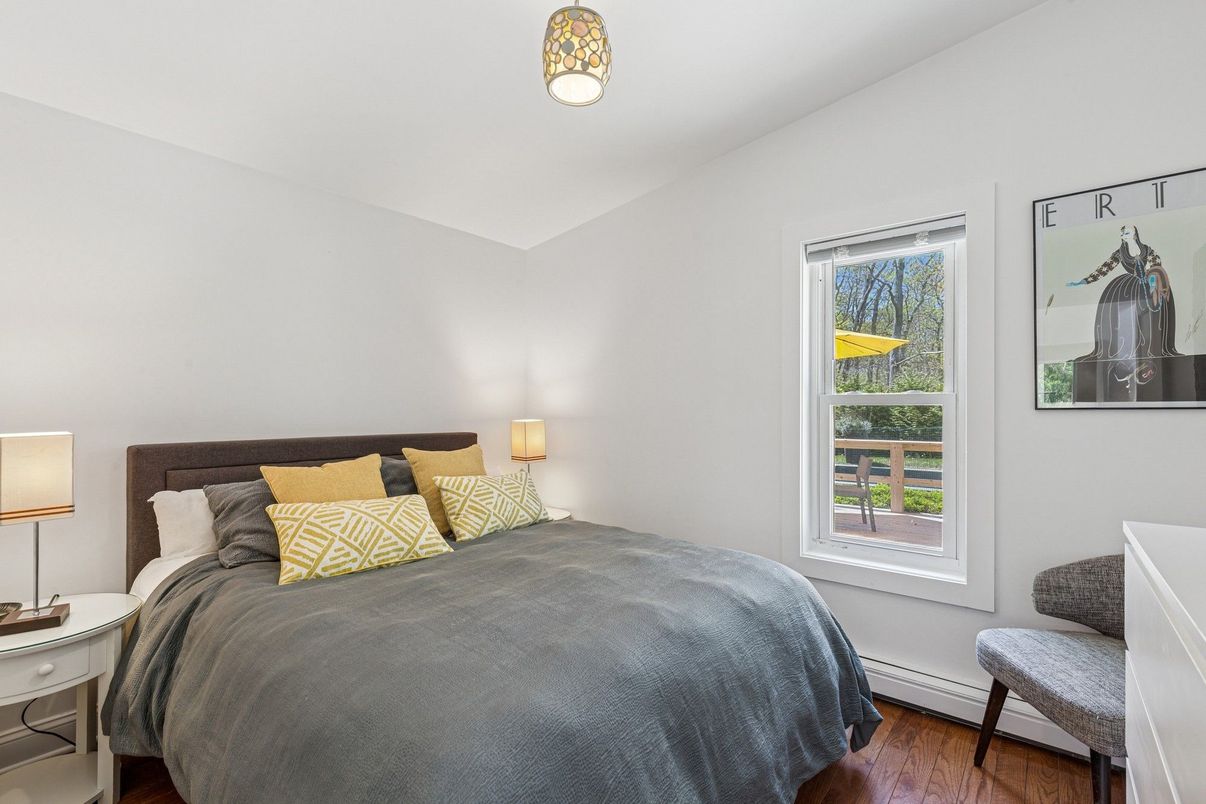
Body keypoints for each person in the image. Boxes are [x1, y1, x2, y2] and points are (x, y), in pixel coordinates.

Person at [1067, 224, 1179, 363]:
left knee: (1153, 313)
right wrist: (1084, 281)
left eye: (1126, 233)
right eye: (1122, 234)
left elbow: (1156, 266)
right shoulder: (1120, 253)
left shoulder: (1146, 249)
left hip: (1150, 283)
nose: (1123, 236)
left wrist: (1152, 281)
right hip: (1128, 287)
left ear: (1134, 234)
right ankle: (1128, 351)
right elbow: (1104, 268)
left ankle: (1153, 348)